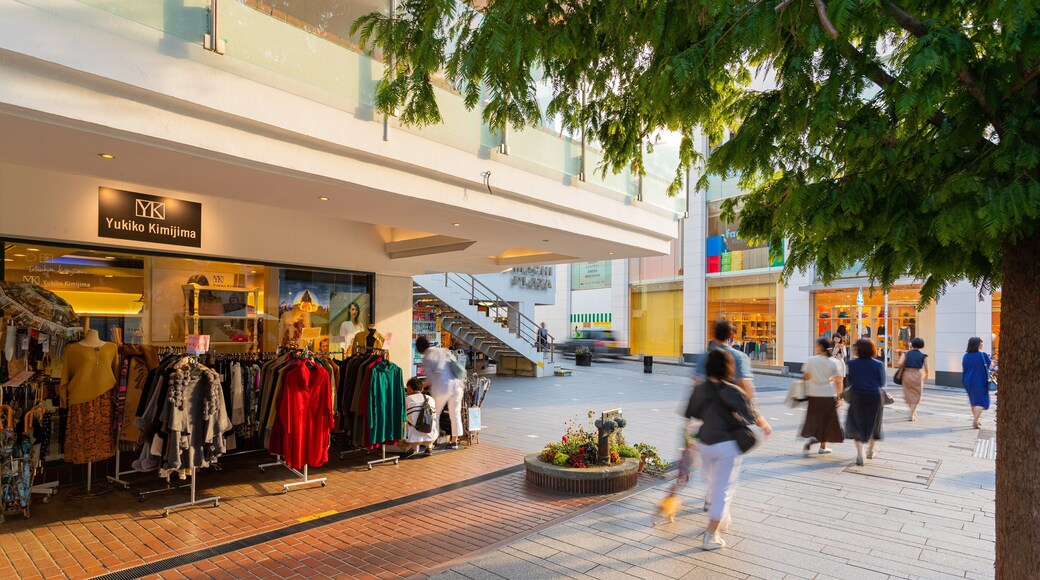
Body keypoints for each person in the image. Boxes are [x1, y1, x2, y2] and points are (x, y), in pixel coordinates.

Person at [685, 348, 771, 550]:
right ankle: (710, 535)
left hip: (704, 444)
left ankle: (719, 514)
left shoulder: (700, 389)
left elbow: (689, 417)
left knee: (713, 484)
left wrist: (687, 442)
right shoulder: (733, 390)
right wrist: (765, 426)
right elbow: (752, 414)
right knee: (723, 489)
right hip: (727, 446)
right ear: (728, 367)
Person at [416, 336, 464, 449]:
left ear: (419, 350)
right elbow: (456, 366)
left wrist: (419, 386)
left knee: (434, 414)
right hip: (457, 385)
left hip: (442, 388)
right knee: (455, 413)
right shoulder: (443, 350)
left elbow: (430, 379)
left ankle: (433, 440)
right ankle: (454, 441)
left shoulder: (427, 358)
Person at [801, 337, 845, 456]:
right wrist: (839, 397)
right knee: (828, 421)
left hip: (813, 394)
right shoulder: (835, 362)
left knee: (814, 418)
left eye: (816, 345)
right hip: (828, 394)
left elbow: (805, 377)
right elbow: (839, 381)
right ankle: (822, 445)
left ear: (821, 347)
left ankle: (815, 438)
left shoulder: (810, 360)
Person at [845, 339, 886, 466]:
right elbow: (882, 382)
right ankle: (871, 450)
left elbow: (849, 381)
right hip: (875, 397)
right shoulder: (878, 364)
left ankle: (860, 453)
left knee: (856, 423)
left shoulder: (852, 363)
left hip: (857, 395)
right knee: (874, 423)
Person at [695, 320, 756, 398]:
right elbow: (745, 386)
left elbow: (697, 383)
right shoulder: (739, 357)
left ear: (714, 334)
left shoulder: (703, 357)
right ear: (730, 335)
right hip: (730, 407)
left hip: (708, 407)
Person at [402, 377, 437, 458]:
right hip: (431, 437)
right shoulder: (431, 399)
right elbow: (434, 417)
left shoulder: (406, 399)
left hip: (412, 439)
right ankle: (429, 447)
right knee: (431, 420)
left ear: (409, 388)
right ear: (422, 389)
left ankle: (412, 447)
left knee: (405, 421)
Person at [962, 337, 993, 429]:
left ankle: (977, 419)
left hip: (968, 380)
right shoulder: (983, 355)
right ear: (978, 344)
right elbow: (991, 367)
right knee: (982, 402)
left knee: (973, 401)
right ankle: (975, 420)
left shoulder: (966, 356)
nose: (983, 344)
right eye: (982, 342)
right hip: (979, 380)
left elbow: (965, 368)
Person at [897, 338, 929, 421]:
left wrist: (904, 366)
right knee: (917, 394)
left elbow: (900, 363)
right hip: (917, 374)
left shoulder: (906, 353)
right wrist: (926, 375)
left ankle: (912, 411)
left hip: (907, 374)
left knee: (907, 392)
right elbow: (926, 368)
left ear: (912, 344)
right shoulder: (923, 355)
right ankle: (911, 413)